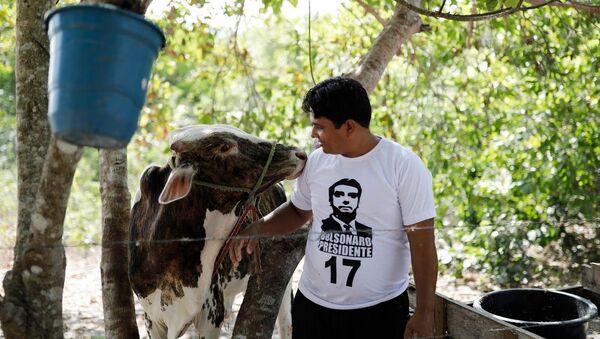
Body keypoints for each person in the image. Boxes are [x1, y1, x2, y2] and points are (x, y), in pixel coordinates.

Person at [229, 76, 438, 339]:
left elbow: (423, 244)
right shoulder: (317, 162)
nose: (313, 135)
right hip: (313, 306)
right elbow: (298, 210)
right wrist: (258, 227)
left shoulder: (403, 166)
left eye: (320, 127)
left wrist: (425, 312)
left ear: (349, 126)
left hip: (378, 312)